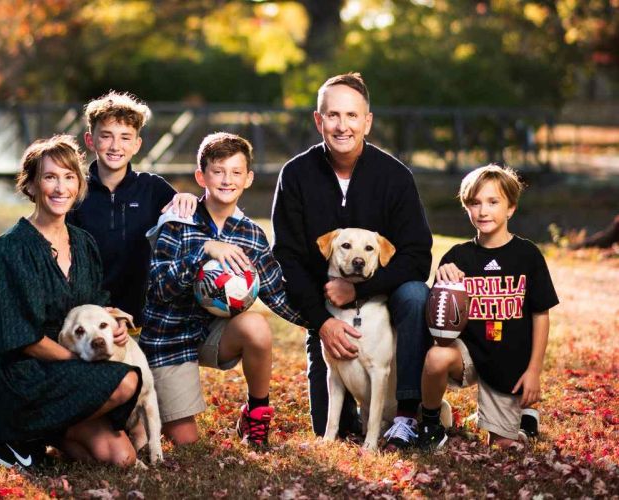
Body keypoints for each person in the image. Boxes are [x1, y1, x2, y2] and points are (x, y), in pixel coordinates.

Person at [271, 72, 433, 450]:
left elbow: (417, 256)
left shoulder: (395, 176)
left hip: (386, 300)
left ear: (367, 121)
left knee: (414, 295)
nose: (342, 126)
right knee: (331, 428)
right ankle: (347, 406)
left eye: (352, 115)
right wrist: (323, 321)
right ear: (318, 120)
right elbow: (288, 260)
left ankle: (408, 412)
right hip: (324, 305)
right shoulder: (296, 175)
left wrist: (360, 289)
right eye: (332, 115)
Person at [0, 135, 142, 468]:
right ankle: (12, 432)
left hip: (69, 372)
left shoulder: (84, 243)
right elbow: (17, 339)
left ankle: (47, 432)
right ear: (31, 186)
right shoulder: (8, 250)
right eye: (49, 177)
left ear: (79, 184)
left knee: (120, 458)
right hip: (26, 375)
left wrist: (116, 326)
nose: (60, 188)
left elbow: (98, 304)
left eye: (69, 177)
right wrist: (83, 359)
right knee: (126, 379)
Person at [140, 132, 305, 448]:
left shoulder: (251, 234)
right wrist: (204, 250)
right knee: (185, 441)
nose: (227, 180)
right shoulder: (178, 219)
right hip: (169, 338)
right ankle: (146, 410)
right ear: (201, 176)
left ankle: (255, 414)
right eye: (218, 171)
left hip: (213, 334)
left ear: (248, 179)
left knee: (256, 326)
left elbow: (278, 295)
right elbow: (160, 288)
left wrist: (326, 321)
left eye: (236, 172)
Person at [417, 164, 558, 449]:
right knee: (436, 357)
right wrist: (443, 279)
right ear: (466, 207)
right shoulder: (457, 257)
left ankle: (525, 417)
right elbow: (439, 319)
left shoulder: (527, 255)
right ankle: (431, 423)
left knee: (504, 446)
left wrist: (534, 371)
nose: (483, 211)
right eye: (475, 203)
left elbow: (540, 315)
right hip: (469, 351)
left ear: (511, 208)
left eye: (493, 202)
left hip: (509, 358)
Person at [67, 91, 197, 323]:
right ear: (90, 140)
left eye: (125, 137)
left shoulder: (153, 189)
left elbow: (190, 230)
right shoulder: (75, 191)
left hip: (146, 317)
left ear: (137, 144)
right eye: (106, 136)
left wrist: (187, 199)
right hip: (91, 317)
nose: (116, 146)